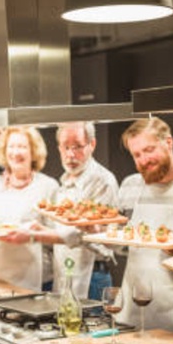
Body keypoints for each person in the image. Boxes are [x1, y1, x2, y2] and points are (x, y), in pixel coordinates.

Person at [116, 117, 173, 332]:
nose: (143, 160)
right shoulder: (130, 185)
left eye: (148, 150)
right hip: (131, 309)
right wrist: (94, 228)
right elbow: (117, 240)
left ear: (168, 143)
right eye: (136, 155)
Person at [0, 126, 58, 291]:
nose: (16, 152)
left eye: (22, 147)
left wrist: (31, 236)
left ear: (33, 152)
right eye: (11, 147)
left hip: (30, 279)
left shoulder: (47, 186)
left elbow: (57, 238)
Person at [50, 122, 119, 299]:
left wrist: (35, 235)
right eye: (65, 147)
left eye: (78, 147)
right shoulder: (64, 182)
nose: (70, 154)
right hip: (65, 275)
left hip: (93, 279)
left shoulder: (103, 180)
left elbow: (82, 235)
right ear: (59, 148)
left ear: (92, 145)